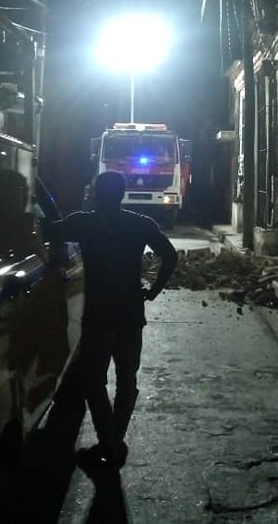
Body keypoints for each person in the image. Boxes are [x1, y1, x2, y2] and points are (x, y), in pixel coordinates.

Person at [46, 170, 178, 468]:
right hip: (131, 313)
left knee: (94, 381)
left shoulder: (83, 223)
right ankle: (114, 439)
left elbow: (46, 232)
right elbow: (170, 256)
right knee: (127, 379)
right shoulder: (140, 224)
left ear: (95, 193)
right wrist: (154, 290)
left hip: (98, 315)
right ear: (122, 194)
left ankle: (110, 440)